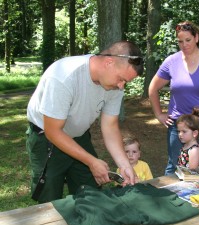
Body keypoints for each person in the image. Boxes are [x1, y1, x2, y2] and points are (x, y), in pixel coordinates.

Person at [26, 40, 144, 203]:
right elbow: (53, 131)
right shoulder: (64, 76)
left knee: (91, 193)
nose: (121, 86)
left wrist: (124, 165)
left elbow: (110, 126)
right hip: (46, 138)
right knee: (49, 199)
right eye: (121, 79)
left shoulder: (115, 85)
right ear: (109, 62)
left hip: (78, 136)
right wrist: (91, 161)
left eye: (126, 82)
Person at [148, 20, 199, 175]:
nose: (184, 45)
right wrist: (159, 114)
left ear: (196, 38)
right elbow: (152, 88)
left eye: (188, 40)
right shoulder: (171, 61)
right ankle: (169, 198)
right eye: (180, 41)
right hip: (178, 126)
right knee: (174, 165)